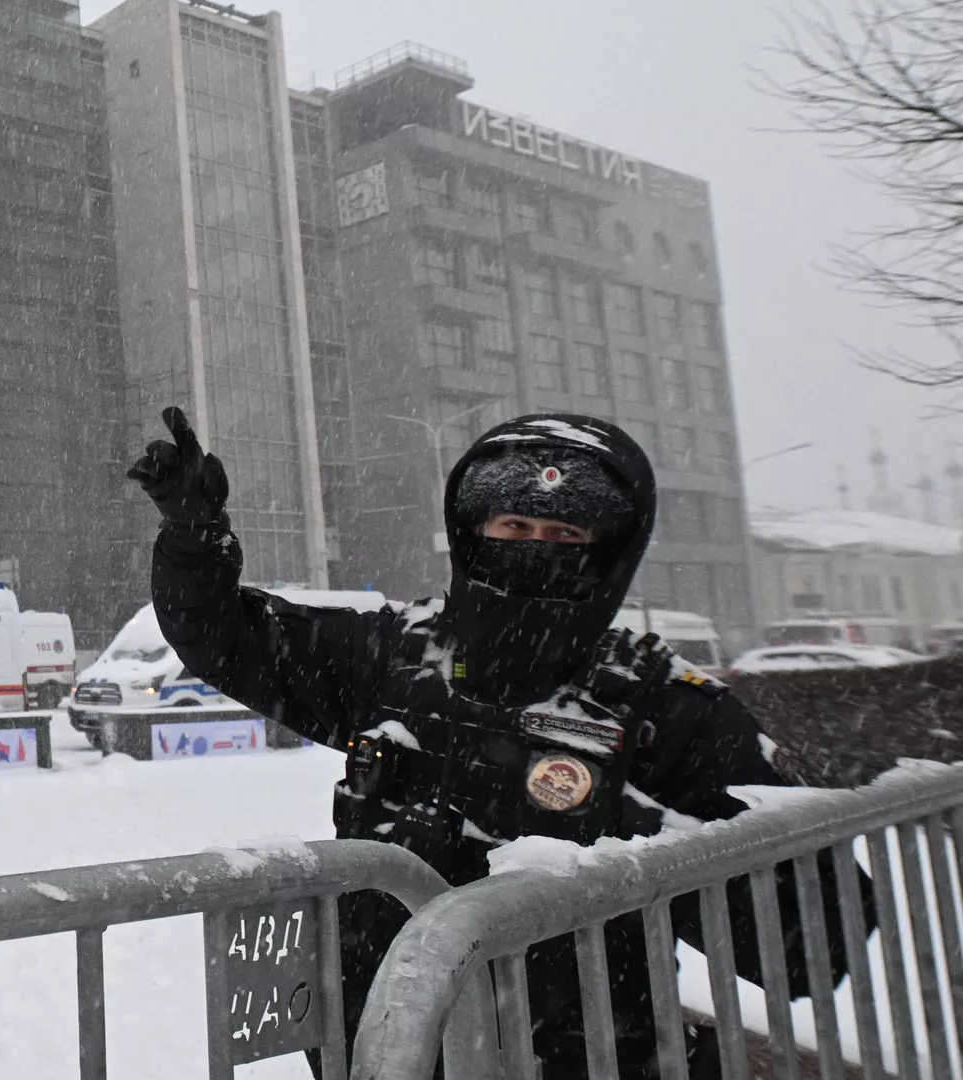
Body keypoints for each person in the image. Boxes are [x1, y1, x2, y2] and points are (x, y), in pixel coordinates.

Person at [128, 407, 863, 1078]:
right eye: (514, 528)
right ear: (472, 534)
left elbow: (816, 943)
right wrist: (195, 539)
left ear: (607, 553)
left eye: (565, 536)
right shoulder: (394, 657)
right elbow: (222, 637)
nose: (535, 550)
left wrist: (641, 848)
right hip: (388, 1053)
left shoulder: (665, 707)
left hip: (587, 1060)